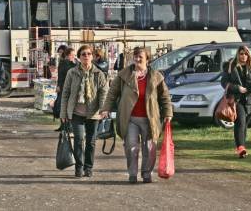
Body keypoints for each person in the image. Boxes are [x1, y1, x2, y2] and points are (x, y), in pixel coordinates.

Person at [101, 46, 173, 184]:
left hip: (150, 118)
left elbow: (165, 97)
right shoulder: (123, 75)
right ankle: (132, 174)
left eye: (141, 56)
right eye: (135, 56)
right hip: (130, 118)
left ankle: (146, 174)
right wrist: (106, 108)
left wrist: (168, 113)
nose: (137, 59)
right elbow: (112, 93)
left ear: (147, 59)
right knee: (131, 146)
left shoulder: (156, 76)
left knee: (149, 148)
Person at [60, 45, 108, 178]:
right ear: (79, 57)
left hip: (93, 113)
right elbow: (65, 93)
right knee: (79, 140)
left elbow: (104, 92)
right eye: (83, 54)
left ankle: (88, 167)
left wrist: (103, 109)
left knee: (91, 142)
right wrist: (63, 113)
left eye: (88, 54)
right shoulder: (72, 72)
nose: (86, 56)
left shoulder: (99, 74)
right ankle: (79, 167)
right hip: (76, 113)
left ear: (92, 56)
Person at [220, 45, 251, 158]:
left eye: (245, 54)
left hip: (250, 99)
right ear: (237, 54)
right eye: (241, 54)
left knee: (245, 125)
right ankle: (241, 148)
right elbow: (224, 82)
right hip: (236, 99)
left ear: (248, 54)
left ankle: (241, 147)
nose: (243, 56)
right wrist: (237, 88)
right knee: (240, 122)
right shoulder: (231, 65)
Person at [53, 47, 77, 130]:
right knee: (64, 105)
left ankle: (65, 125)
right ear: (68, 55)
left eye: (74, 55)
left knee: (64, 105)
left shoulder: (65, 62)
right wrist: (59, 85)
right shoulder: (67, 63)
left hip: (66, 86)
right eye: (72, 55)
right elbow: (62, 75)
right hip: (65, 87)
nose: (74, 57)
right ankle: (65, 125)